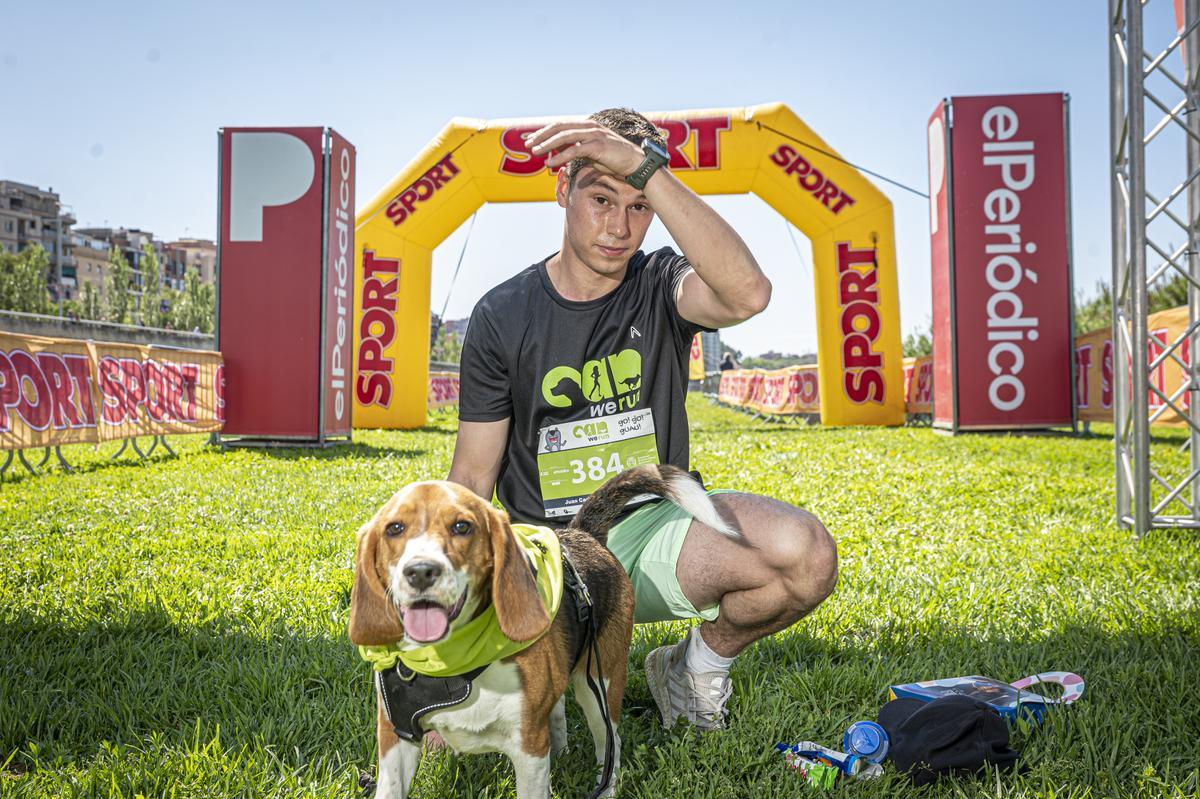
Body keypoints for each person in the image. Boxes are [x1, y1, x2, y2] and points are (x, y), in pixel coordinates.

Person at [448, 108, 837, 733]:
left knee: (804, 555)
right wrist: (461, 590)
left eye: (638, 205)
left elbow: (748, 295)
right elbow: (472, 471)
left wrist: (646, 169)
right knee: (515, 729)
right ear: (561, 190)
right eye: (601, 198)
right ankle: (542, 651)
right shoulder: (502, 312)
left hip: (653, 528)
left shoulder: (660, 281)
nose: (619, 226)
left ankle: (693, 668)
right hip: (544, 552)